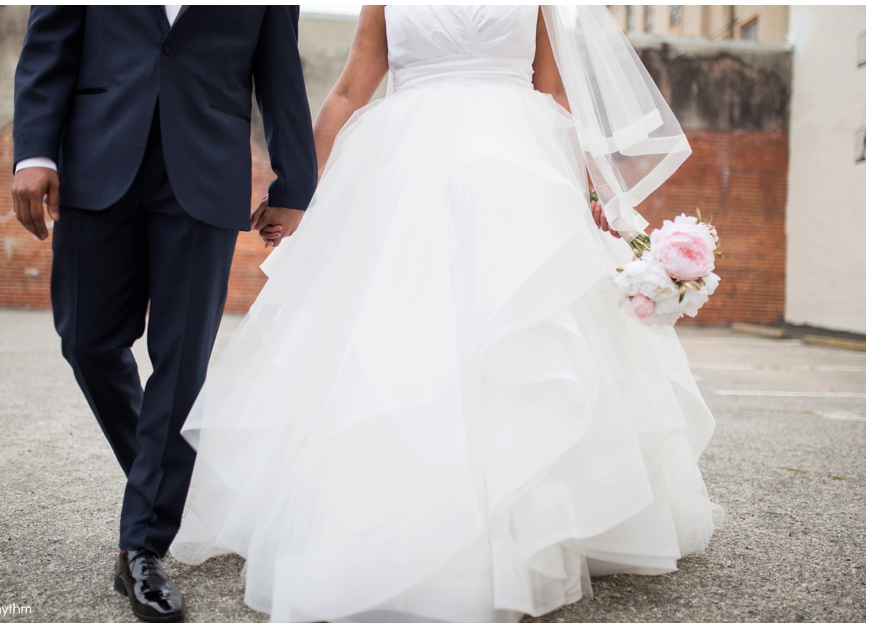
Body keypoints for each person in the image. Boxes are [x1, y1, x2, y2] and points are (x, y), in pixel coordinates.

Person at [170, 5, 720, 622]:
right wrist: (297, 191)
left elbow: (554, 88)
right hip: (405, 169)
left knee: (524, 323)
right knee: (402, 326)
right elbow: (353, 87)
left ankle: (530, 513)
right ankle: (397, 508)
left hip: (520, 169)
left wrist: (592, 190)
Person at [10, 6, 317, 622]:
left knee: (181, 365)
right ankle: (181, 487)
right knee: (87, 341)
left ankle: (142, 544)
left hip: (204, 171)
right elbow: (48, 45)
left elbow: (280, 71)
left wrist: (294, 186)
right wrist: (33, 150)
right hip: (96, 157)